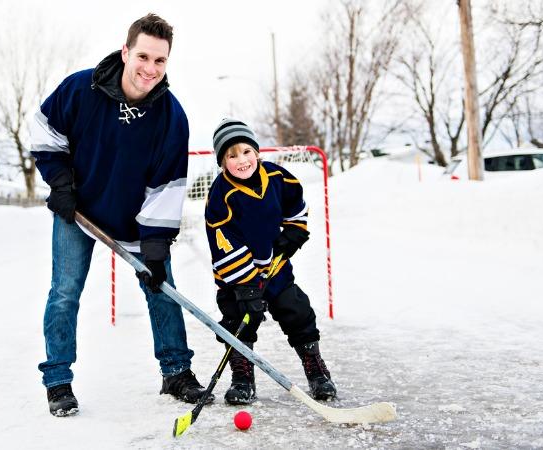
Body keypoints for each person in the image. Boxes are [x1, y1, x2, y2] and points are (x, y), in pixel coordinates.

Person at [30, 13, 211, 417]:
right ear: (126, 51)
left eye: (160, 61)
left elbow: (166, 186)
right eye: (144, 56)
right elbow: (45, 132)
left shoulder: (171, 117)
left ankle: (176, 371)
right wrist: (60, 184)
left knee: (161, 288)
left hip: (136, 216)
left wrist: (154, 246)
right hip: (79, 210)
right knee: (64, 292)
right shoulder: (81, 88)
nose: (150, 69)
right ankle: (57, 380)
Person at [204, 118, 337, 405]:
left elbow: (296, 206)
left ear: (257, 152)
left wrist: (293, 232)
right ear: (222, 162)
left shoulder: (278, 177)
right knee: (237, 322)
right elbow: (223, 242)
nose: (242, 160)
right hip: (236, 279)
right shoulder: (220, 196)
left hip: (275, 269)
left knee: (297, 312)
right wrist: (246, 285)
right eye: (232, 155)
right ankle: (242, 379)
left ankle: (316, 371)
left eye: (246, 152)